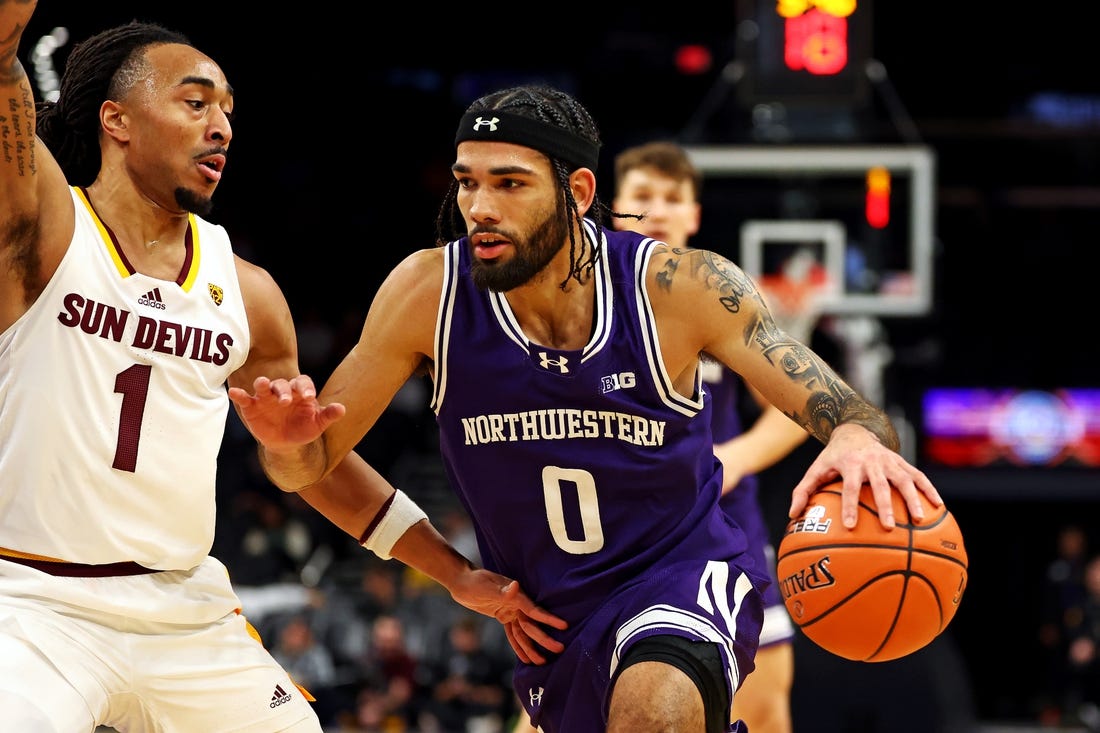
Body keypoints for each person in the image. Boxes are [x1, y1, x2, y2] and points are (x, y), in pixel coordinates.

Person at [231, 84, 941, 733]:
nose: (480, 205)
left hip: (680, 571)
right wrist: (294, 450)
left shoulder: (678, 287)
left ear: (576, 190)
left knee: (653, 713)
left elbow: (842, 406)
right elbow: (309, 466)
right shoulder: (427, 294)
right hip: (551, 618)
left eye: (510, 183)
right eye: (468, 182)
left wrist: (856, 436)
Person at [0, 7, 562, 731]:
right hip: (34, 601)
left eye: (228, 110)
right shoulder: (44, 230)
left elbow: (316, 465)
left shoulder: (250, 295)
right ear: (118, 120)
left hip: (183, 610)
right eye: (195, 101)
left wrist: (455, 573)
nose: (222, 126)